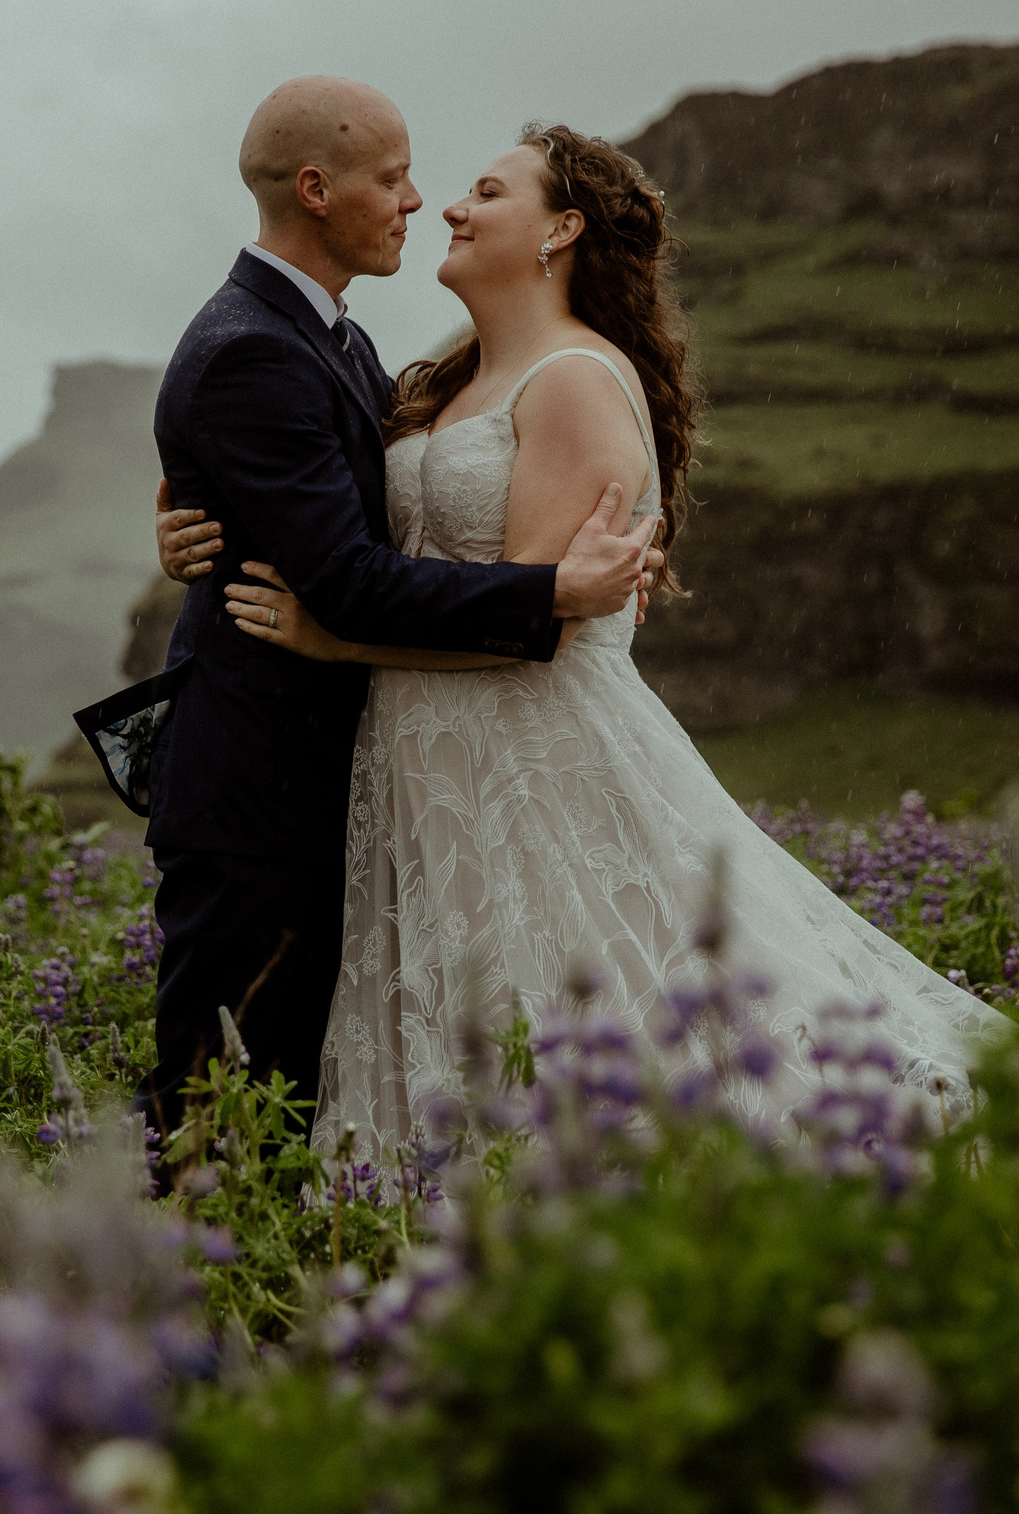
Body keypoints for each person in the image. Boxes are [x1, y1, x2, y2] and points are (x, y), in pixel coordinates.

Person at [201, 121, 1019, 1150]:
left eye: (487, 192)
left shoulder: (573, 378)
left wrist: (337, 642)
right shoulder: (440, 381)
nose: (451, 208)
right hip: (428, 757)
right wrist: (198, 525)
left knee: (599, 1017)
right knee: (478, 1012)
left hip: (530, 753)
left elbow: (528, 626)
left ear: (561, 230)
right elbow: (349, 524)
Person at [136, 78, 661, 1146]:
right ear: (317, 190)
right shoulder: (254, 345)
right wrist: (550, 593)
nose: (423, 202)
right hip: (261, 796)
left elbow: (329, 505)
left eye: (463, 187)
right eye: (395, 178)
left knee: (303, 1089)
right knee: (219, 1106)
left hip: (387, 774)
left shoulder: (334, 337)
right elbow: (349, 579)